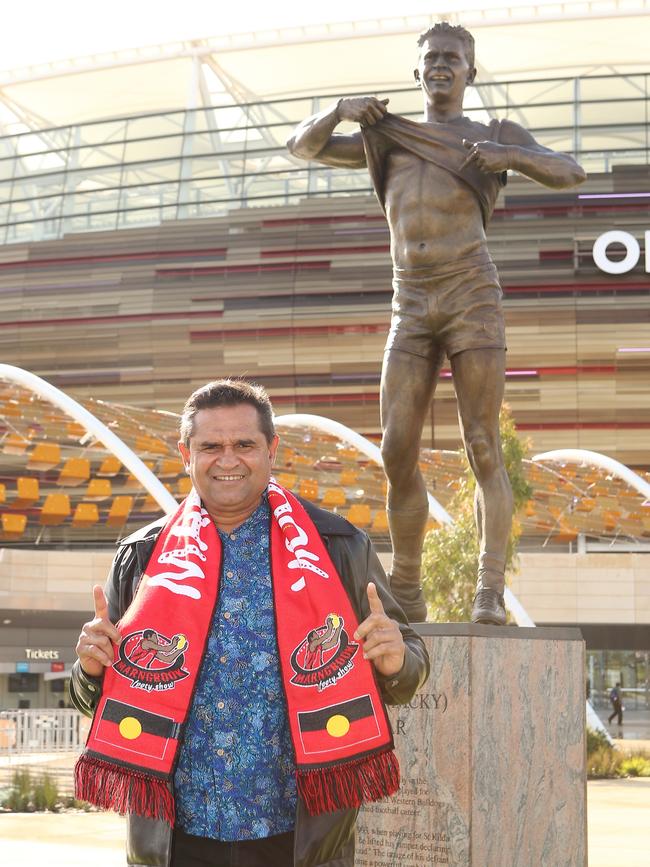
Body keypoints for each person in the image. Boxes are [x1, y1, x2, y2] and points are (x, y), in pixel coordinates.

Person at [287, 22, 586, 626]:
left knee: (482, 445)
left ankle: (489, 589)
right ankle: (408, 581)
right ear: (416, 71)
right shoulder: (387, 137)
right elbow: (302, 147)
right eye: (432, 58)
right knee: (395, 448)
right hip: (410, 302)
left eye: (453, 58)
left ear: (471, 72)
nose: (441, 66)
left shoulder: (493, 135)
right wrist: (339, 110)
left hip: (471, 293)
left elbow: (570, 171)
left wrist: (512, 158)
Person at [70, 379, 429, 867]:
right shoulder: (142, 556)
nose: (227, 459)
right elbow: (94, 697)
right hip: (178, 839)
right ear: (185, 453)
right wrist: (90, 670)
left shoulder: (337, 547)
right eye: (210, 446)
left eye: (244, 444)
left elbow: (408, 664)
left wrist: (396, 660)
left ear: (272, 449)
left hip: (297, 837)